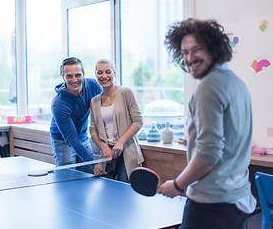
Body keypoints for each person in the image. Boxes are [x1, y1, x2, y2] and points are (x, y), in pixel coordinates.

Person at [157, 18, 256, 229]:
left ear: (214, 49)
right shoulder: (236, 83)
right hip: (237, 200)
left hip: (211, 205)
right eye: (184, 52)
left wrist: (177, 184)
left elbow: (208, 154)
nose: (189, 58)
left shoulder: (208, 88)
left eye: (196, 49)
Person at [90, 59, 144, 182]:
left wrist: (120, 142)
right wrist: (103, 146)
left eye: (108, 72)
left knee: (126, 193)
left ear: (114, 73)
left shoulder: (126, 92)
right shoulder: (94, 101)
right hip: (107, 155)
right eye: (100, 72)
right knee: (108, 193)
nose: (104, 76)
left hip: (127, 152)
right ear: (96, 75)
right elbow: (92, 130)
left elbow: (138, 121)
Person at [50, 57, 106, 175]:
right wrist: (94, 164)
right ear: (63, 77)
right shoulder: (59, 104)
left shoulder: (93, 86)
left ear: (83, 74)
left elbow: (106, 106)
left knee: (89, 174)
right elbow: (71, 138)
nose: (74, 80)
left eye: (77, 75)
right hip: (62, 140)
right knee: (67, 177)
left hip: (82, 135)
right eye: (69, 76)